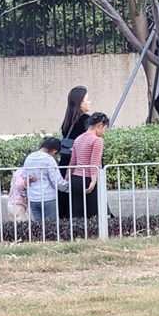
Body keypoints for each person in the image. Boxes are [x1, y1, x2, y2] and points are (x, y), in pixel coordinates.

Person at [67, 112, 109, 220]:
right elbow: (94, 162)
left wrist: (68, 177)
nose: (104, 132)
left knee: (77, 212)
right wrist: (94, 180)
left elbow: (73, 161)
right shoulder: (97, 140)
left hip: (76, 179)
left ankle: (78, 230)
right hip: (88, 179)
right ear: (100, 125)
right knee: (95, 213)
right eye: (105, 129)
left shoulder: (78, 139)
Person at [58, 86, 92, 218]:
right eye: (87, 99)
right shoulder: (86, 121)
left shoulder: (67, 121)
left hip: (65, 164)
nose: (89, 102)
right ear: (80, 102)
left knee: (66, 202)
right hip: (79, 166)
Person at [22, 136, 69, 223]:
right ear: (54, 152)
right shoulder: (49, 159)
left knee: (38, 226)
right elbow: (57, 181)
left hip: (33, 198)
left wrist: (24, 194)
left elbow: (24, 178)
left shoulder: (29, 158)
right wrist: (69, 187)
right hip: (48, 197)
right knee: (51, 225)